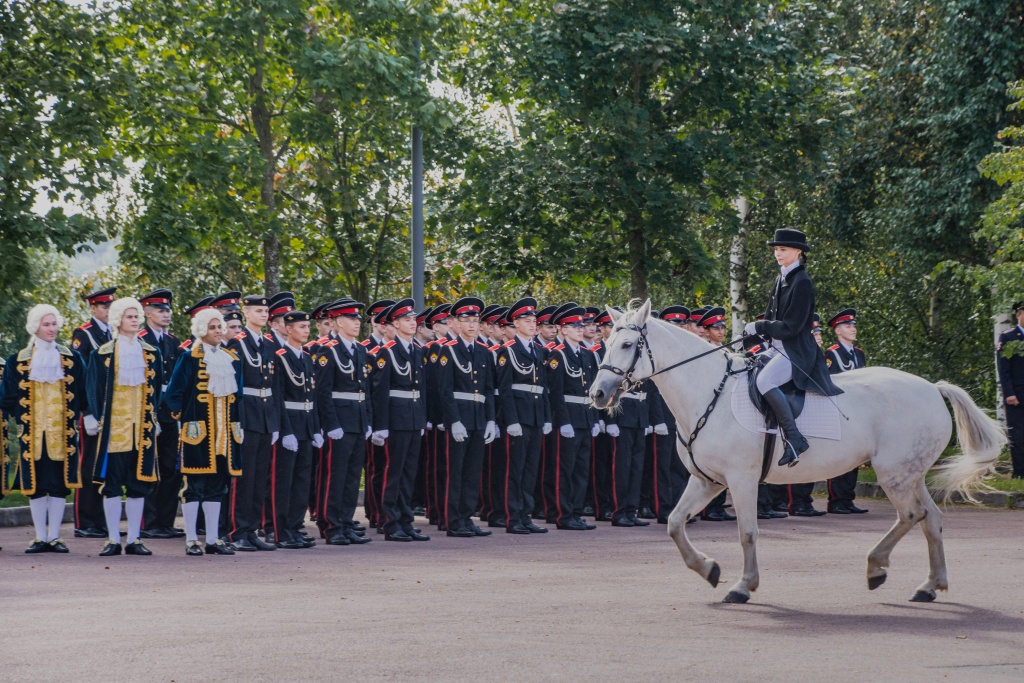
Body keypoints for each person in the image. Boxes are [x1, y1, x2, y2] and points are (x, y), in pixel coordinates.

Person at [748, 228, 842, 467]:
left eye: (783, 249)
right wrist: (749, 336)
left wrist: (760, 325)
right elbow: (771, 318)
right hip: (777, 348)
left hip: (796, 352)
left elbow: (791, 327)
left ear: (798, 251)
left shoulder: (802, 282)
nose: (778, 254)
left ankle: (794, 438)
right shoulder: (780, 278)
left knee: (764, 381)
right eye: (776, 250)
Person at [0, 305, 88, 553]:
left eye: (54, 323)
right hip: (33, 433)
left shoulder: (72, 358)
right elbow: (6, 396)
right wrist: (20, 414)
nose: (52, 329)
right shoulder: (17, 360)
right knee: (36, 485)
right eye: (46, 324)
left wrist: (85, 414)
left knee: (59, 484)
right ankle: (40, 537)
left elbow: (82, 391)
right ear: (35, 327)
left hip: (63, 433)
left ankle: (55, 537)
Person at [86, 297, 163, 556]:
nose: (135, 320)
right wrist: (96, 417)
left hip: (141, 429)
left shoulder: (152, 353)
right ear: (119, 319)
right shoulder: (102, 353)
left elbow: (157, 389)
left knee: (138, 485)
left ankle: (133, 539)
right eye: (130, 316)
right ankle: (111, 539)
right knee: (111, 485)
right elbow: (94, 388)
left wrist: (154, 418)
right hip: (114, 430)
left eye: (137, 316)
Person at [163, 308, 243, 556]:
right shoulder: (189, 357)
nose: (218, 331)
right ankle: (191, 539)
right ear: (201, 330)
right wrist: (185, 419)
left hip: (224, 435)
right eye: (212, 327)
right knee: (193, 487)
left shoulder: (232, 359)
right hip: (197, 435)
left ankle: (212, 539)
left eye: (219, 327)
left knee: (217, 487)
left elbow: (238, 397)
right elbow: (173, 394)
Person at [436, 297, 497, 537]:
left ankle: (466, 517)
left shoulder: (483, 352)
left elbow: (489, 390)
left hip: (478, 419)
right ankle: (453, 521)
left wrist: (490, 420)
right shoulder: (448, 350)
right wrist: (454, 421)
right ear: (457, 323)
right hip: (460, 419)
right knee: (455, 472)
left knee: (472, 473)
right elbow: (445, 390)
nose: (472, 325)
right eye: (467, 320)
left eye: (475, 321)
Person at [314, 299, 374, 546]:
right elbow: (323, 391)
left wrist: (368, 420)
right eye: (351, 319)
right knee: (334, 476)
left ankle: (346, 523)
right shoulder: (328, 350)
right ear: (338, 322)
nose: (356, 323)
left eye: (358, 319)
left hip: (357, 420)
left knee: (351, 477)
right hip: (339, 421)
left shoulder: (360, 350)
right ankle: (331, 525)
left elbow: (365, 389)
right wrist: (331, 424)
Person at [222, 294, 280, 551]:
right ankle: (237, 531)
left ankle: (252, 530)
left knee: (259, 477)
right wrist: (237, 421)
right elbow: (233, 386)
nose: (263, 315)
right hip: (247, 415)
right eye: (258, 311)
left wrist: (275, 423)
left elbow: (275, 386)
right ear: (246, 313)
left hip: (265, 416)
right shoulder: (237, 343)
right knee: (243, 478)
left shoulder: (268, 344)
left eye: (265, 311)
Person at [371, 298, 430, 542]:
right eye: (406, 320)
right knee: (392, 473)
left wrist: (423, 419)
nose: (412, 323)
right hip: (395, 419)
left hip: (413, 417)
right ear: (395, 324)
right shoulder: (387, 352)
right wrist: (381, 426)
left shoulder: (417, 350)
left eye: (413, 319)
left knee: (408, 473)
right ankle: (390, 522)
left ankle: (406, 521)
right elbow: (380, 391)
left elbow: (422, 388)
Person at [495, 298, 552, 534]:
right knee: (515, 469)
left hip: (536, 416)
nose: (532, 324)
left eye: (533, 321)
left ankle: (526, 515)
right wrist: (512, 421)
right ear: (516, 324)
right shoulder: (508, 351)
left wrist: (547, 417)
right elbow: (505, 390)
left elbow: (543, 387)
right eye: (527, 321)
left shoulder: (539, 350)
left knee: (530, 469)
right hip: (519, 416)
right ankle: (513, 517)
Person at [271, 309, 323, 549]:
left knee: (302, 481)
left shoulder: (306, 357)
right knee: (284, 481)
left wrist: (316, 429)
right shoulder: (280, 357)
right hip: (290, 425)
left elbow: (312, 397)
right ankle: (280, 531)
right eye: (301, 327)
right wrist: (285, 431)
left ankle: (294, 527)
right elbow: (278, 397)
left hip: (306, 424)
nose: (306, 331)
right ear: (288, 329)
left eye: (307, 327)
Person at [546, 303, 599, 531]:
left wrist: (594, 419)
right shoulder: (557, 355)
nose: (580, 329)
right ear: (563, 329)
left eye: (581, 326)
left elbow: (592, 390)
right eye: (574, 326)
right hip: (568, 419)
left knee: (581, 470)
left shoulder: (587, 355)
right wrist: (563, 421)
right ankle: (563, 514)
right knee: (564, 470)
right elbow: (556, 393)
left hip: (585, 418)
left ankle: (576, 512)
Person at [138, 289, 185, 540]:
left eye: (168, 310)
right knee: (150, 466)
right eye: (160, 310)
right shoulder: (140, 339)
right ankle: (150, 522)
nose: (166, 314)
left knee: (170, 466)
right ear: (147, 313)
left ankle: (166, 521)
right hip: (150, 408)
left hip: (170, 412)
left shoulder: (173, 342)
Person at [72, 286, 116, 539]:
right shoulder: (84, 334)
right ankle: (84, 521)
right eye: (104, 306)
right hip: (92, 410)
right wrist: (86, 411)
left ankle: (100, 520)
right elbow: (81, 377)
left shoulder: (112, 333)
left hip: (110, 410)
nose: (108, 310)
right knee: (88, 465)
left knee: (105, 467)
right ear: (93, 308)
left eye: (111, 306)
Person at [824, 308, 869, 513]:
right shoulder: (831, 353)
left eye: (853, 326)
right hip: (840, 410)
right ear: (838, 330)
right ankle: (836, 501)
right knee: (840, 456)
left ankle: (848, 499)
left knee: (855, 456)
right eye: (848, 326)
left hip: (858, 411)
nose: (853, 329)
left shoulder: (859, 353)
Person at [998, 301, 1024, 479]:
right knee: (1018, 433)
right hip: (1017, 394)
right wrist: (1009, 393)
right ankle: (1020, 472)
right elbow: (1003, 367)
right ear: (1018, 315)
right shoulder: (1008, 337)